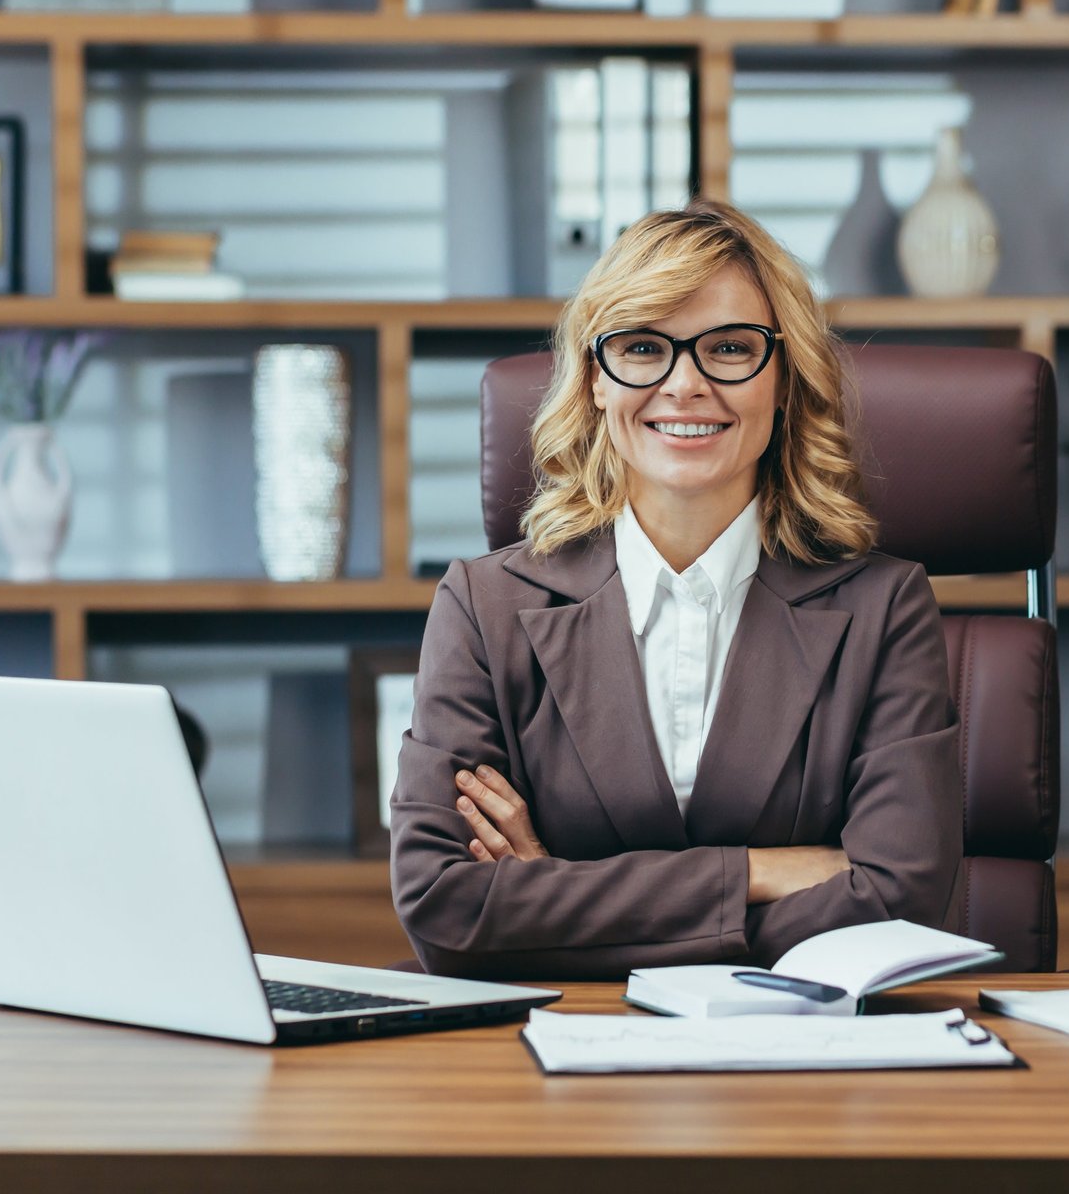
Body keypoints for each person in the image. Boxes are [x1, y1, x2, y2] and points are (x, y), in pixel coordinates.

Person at [389, 198, 961, 979]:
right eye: (643, 347)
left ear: (785, 378)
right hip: (549, 1066)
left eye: (728, 348)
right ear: (595, 380)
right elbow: (443, 909)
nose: (684, 384)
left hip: (803, 1060)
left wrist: (548, 898)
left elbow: (899, 899)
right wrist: (761, 874)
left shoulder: (885, 611)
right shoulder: (482, 609)